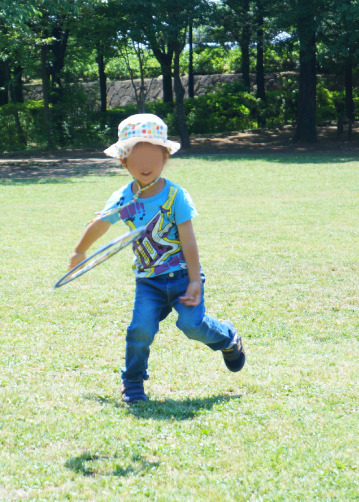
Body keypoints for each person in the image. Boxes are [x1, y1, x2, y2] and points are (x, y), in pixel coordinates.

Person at [67, 114, 246, 404]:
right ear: (124, 161)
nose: (145, 165)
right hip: (148, 282)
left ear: (165, 157)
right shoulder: (124, 200)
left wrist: (193, 281)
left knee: (191, 325)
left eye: (153, 156)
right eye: (137, 158)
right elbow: (101, 223)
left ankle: (228, 339)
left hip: (181, 276)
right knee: (140, 330)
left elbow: (188, 240)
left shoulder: (176, 197)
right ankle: (133, 382)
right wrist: (80, 250)